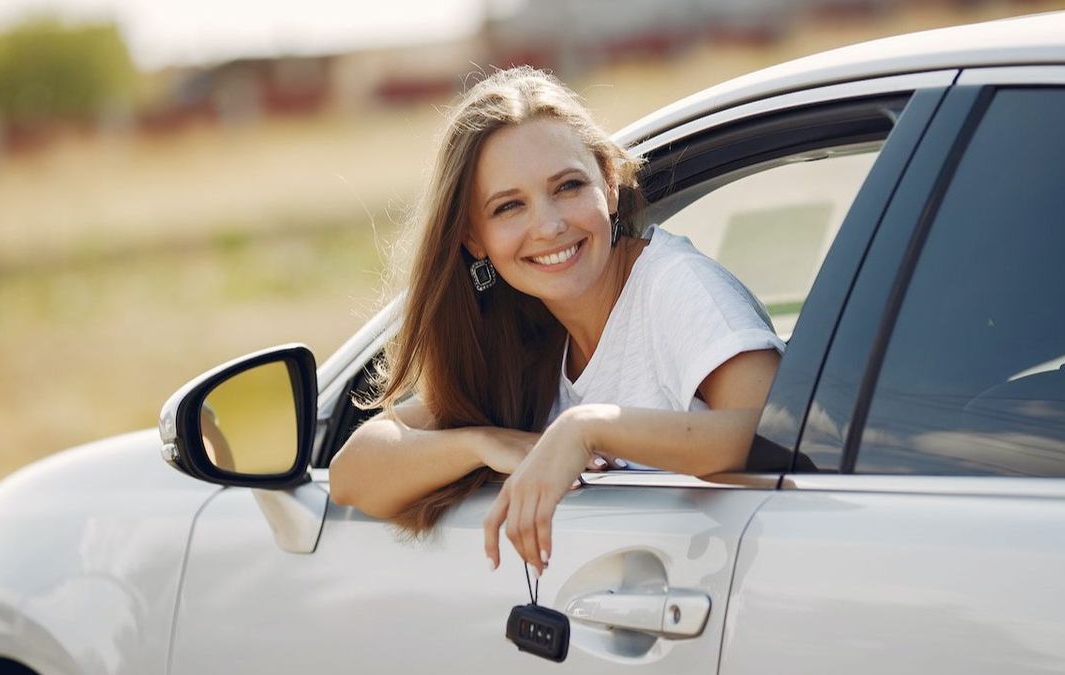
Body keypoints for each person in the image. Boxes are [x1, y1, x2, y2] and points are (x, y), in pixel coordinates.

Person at [329, 66, 783, 576]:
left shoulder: (675, 286)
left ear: (608, 186)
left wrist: (588, 429)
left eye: (567, 186)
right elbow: (352, 474)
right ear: (473, 239)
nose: (548, 225)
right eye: (508, 207)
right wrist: (485, 443)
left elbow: (783, 439)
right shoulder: (524, 335)